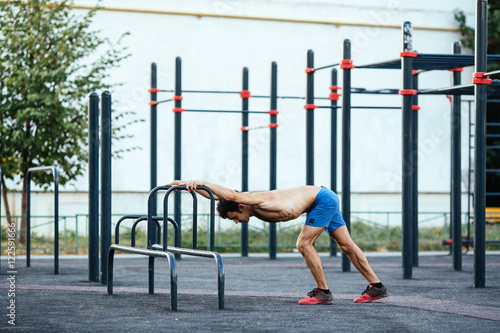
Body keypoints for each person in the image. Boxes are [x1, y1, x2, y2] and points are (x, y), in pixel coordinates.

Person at [167, 179, 389, 305]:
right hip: (321, 198)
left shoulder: (258, 200)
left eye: (235, 217)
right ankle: (377, 287)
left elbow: (231, 196)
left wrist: (200, 181)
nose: (236, 222)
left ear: (241, 208)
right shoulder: (244, 202)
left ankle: (323, 292)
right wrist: (189, 187)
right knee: (346, 246)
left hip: (322, 200)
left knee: (303, 244)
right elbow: (223, 196)